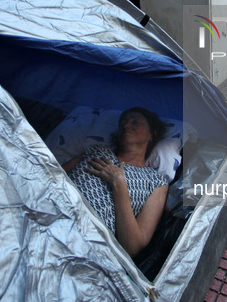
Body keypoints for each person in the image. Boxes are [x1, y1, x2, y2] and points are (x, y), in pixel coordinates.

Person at [63, 107, 168, 257]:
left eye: (135, 122)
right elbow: (49, 179)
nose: (126, 125)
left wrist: (119, 183)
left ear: (152, 134)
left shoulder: (156, 181)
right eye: (123, 123)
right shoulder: (96, 151)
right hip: (51, 213)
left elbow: (132, 247)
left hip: (85, 246)